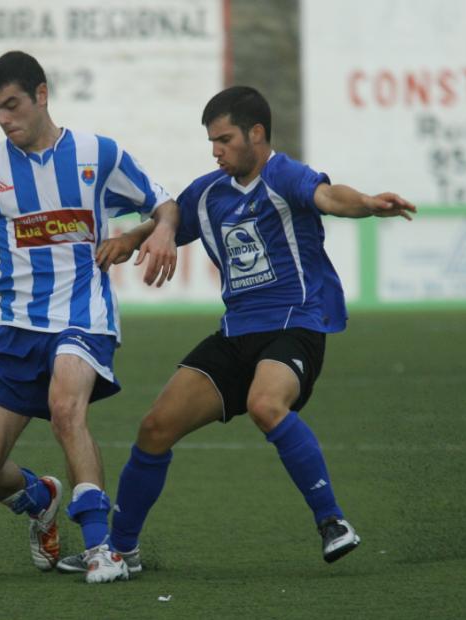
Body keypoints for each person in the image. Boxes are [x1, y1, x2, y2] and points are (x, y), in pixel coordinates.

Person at [56, 85, 416, 575]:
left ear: (257, 134)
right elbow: (171, 217)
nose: (216, 150)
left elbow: (330, 196)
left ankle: (332, 521)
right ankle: (122, 549)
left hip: (294, 324)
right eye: (211, 141)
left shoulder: (283, 175)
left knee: (265, 404)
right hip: (236, 333)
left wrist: (370, 203)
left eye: (224, 139)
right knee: (155, 428)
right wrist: (135, 238)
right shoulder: (208, 193)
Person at [0, 50, 180, 584]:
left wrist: (158, 231)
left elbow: (163, 203)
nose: (4, 119)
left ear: (41, 94)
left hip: (81, 316)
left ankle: (101, 548)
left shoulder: (98, 153)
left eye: (12, 105)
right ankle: (40, 498)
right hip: (15, 328)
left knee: (66, 408)